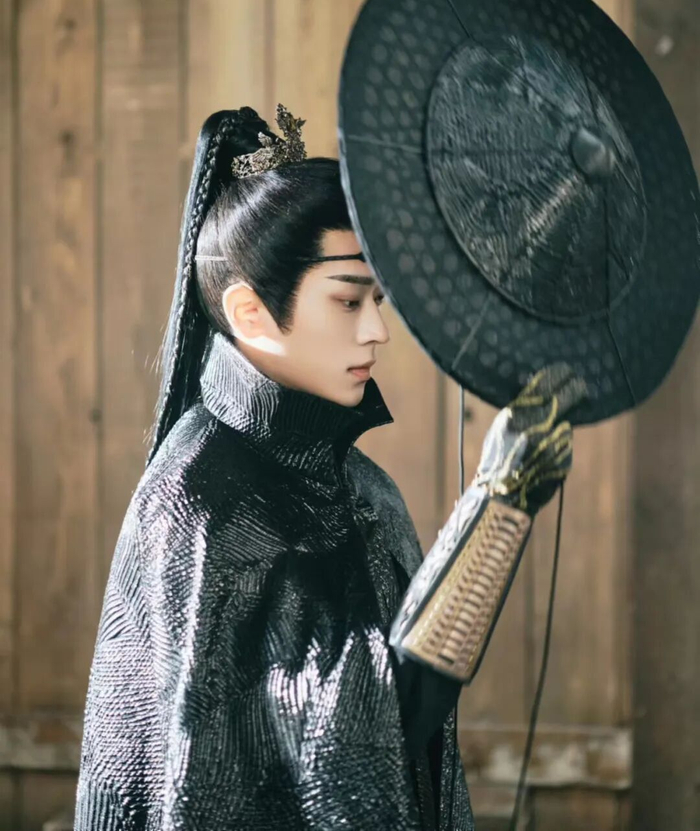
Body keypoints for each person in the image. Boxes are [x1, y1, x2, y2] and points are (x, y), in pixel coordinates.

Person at [74, 105, 576, 831]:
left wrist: (500, 507)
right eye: (347, 299)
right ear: (251, 313)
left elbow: (396, 737)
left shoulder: (365, 487)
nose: (377, 330)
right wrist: (494, 510)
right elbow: (362, 744)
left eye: (379, 300)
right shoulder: (197, 504)